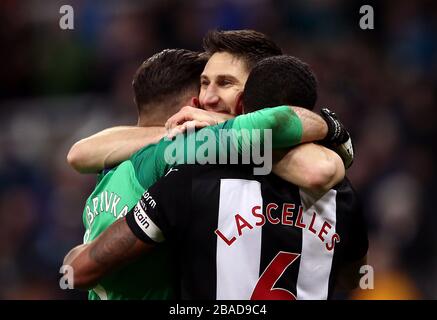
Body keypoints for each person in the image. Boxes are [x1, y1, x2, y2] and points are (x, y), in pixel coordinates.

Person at [64, 55, 367, 299]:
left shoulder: (190, 178)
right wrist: (332, 128)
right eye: (205, 84)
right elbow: (350, 278)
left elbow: (81, 270)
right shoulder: (345, 196)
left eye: (224, 83)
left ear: (243, 104)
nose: (209, 98)